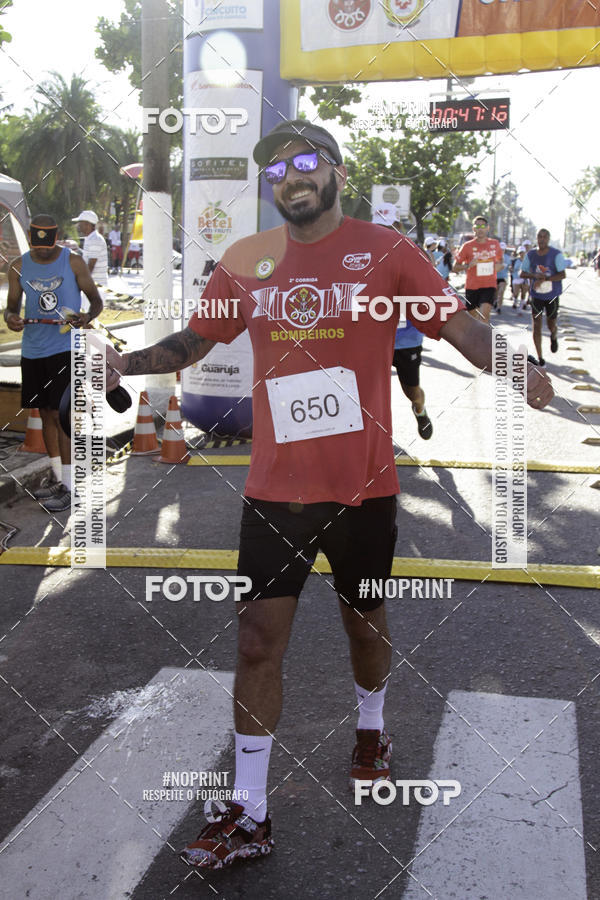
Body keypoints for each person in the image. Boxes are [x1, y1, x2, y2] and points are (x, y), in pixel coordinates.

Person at [104, 119, 553, 870]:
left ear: (337, 172)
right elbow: (196, 342)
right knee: (255, 638)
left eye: (306, 161)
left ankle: (372, 724)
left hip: (363, 491)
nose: (291, 175)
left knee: (365, 629)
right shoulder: (248, 260)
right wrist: (127, 360)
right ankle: (249, 810)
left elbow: (457, 327)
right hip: (276, 492)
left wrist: (517, 368)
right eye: (277, 169)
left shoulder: (388, 252)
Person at [4, 214, 103, 511]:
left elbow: (96, 301)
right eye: (37, 247)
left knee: (63, 416)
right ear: (31, 240)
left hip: (65, 349)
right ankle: (61, 480)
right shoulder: (19, 266)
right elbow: (10, 308)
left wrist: (87, 317)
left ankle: (72, 488)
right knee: (45, 414)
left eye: (47, 247)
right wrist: (11, 319)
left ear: (56, 238)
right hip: (33, 351)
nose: (42, 252)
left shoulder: (73, 262)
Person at [520, 228, 566, 367]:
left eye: (545, 237)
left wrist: (546, 278)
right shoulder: (531, 254)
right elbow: (522, 273)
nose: (542, 239)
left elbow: (562, 274)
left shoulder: (556, 254)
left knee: (551, 324)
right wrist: (534, 276)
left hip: (552, 295)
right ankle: (540, 358)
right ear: (537, 238)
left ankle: (554, 335)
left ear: (549, 239)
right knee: (537, 325)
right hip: (536, 295)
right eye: (539, 236)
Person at [453, 216, 503, 323]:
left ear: (487, 228)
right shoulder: (467, 246)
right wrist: (468, 265)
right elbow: (455, 267)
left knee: (484, 315)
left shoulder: (495, 244)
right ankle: (477, 338)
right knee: (474, 320)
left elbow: (500, 261)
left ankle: (484, 339)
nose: (480, 229)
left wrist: (499, 266)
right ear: (473, 228)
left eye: (483, 226)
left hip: (489, 285)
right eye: (478, 226)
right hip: (472, 287)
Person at [393, 319, 433, 439]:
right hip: (374, 339)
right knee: (370, 393)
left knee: (412, 393)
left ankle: (420, 411)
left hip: (407, 341)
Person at [72, 210, 108, 290]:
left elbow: (91, 264)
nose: (78, 226)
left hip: (96, 287)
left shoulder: (95, 239)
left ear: (87, 224)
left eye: (80, 223)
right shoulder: (90, 238)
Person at [494, 241, 511, 314]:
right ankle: (495, 301)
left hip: (503, 277)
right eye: (501, 249)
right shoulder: (494, 257)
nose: (502, 250)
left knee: (501, 292)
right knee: (496, 293)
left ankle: (499, 307)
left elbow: (510, 266)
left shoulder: (507, 257)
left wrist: (510, 268)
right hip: (494, 277)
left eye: (503, 249)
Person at [511, 246, 528, 312]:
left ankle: (521, 307)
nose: (522, 254)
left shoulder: (527, 261)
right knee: (516, 293)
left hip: (525, 279)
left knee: (523, 293)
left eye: (523, 252)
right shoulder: (515, 260)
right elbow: (511, 268)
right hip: (516, 278)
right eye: (520, 252)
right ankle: (515, 302)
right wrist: (512, 269)